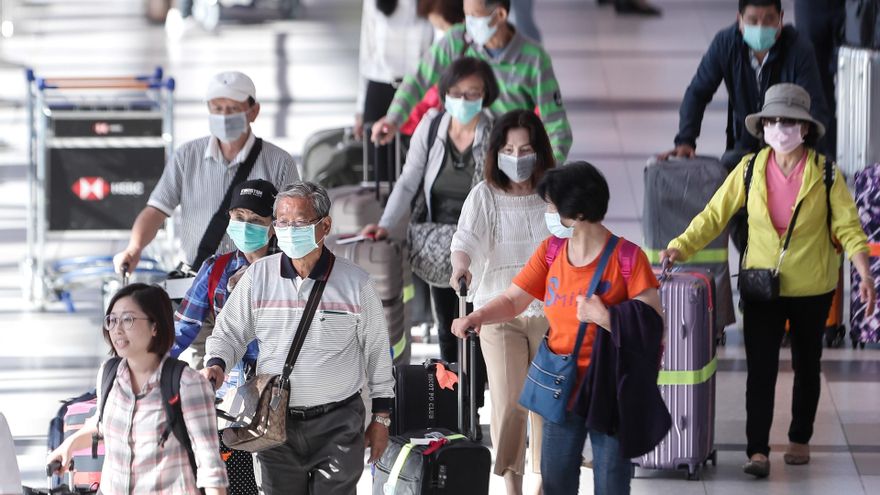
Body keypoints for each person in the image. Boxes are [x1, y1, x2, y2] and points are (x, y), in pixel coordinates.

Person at [661, 83, 876, 478]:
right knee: (760, 368)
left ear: (806, 129)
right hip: (762, 287)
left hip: (813, 287)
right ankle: (757, 448)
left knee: (807, 365)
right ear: (763, 127)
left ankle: (799, 437)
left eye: (790, 121)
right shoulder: (748, 170)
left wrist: (864, 273)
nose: (781, 128)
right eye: (774, 121)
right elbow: (714, 214)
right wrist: (680, 245)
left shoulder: (826, 174)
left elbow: (849, 228)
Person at [452, 162, 663, 495]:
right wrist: (477, 317)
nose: (547, 212)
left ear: (576, 214)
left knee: (611, 483)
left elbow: (653, 323)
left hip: (610, 388)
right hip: (561, 385)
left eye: (551, 205)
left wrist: (605, 317)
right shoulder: (552, 252)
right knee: (557, 482)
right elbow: (512, 300)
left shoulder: (627, 258)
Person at [202, 181, 395, 494]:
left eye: (300, 223)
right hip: (274, 424)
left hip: (339, 424)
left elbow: (377, 354)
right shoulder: (258, 277)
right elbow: (229, 332)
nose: (289, 230)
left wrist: (381, 420)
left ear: (325, 225)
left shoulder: (356, 283)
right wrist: (217, 363)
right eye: (282, 222)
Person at [360, 57, 498, 419]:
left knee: (477, 323)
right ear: (444, 94)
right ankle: (454, 404)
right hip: (438, 241)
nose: (464, 100)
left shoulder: (495, 132)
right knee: (447, 324)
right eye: (456, 93)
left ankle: (474, 401)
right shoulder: (432, 125)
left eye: (472, 93)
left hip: (481, 242)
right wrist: (387, 225)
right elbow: (408, 180)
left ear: (486, 95)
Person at [449, 109, 554, 494]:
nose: (517, 156)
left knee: (545, 406)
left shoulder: (552, 193)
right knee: (510, 403)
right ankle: (512, 486)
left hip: (549, 313)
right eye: (508, 148)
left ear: (539, 151)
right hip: (499, 311)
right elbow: (466, 242)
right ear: (496, 152)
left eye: (525, 148)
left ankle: (544, 484)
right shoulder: (485, 196)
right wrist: (461, 268)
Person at [48, 283, 228, 494]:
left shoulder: (187, 384)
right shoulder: (110, 374)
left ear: (155, 326)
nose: (117, 329)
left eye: (127, 319)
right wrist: (69, 445)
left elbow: (210, 467)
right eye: (112, 320)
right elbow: (102, 425)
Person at [113, 71, 297, 275]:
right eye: (217, 109)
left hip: (256, 277)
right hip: (196, 278)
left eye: (233, 109)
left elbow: (293, 223)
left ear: (253, 112)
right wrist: (134, 248)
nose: (224, 116)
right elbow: (156, 210)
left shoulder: (279, 162)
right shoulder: (186, 156)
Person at [370, 0, 572, 164]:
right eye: (466, 14)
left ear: (500, 15)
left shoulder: (533, 58)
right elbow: (417, 80)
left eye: (475, 16)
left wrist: (545, 174)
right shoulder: (457, 40)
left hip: (508, 160)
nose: (468, 23)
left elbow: (557, 127)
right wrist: (393, 119)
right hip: (461, 155)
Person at [660, 0, 829, 168]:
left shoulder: (799, 49)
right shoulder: (725, 44)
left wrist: (800, 149)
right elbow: (698, 93)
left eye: (769, 19)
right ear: (739, 20)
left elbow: (816, 107)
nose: (761, 27)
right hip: (742, 150)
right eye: (753, 20)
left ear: (781, 19)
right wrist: (685, 140)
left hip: (789, 150)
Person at [172, 179, 277, 374]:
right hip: (226, 384)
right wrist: (146, 367)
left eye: (256, 220)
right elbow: (181, 329)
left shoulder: (288, 270)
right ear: (229, 219)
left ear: (273, 226)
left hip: (280, 385)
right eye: (239, 217)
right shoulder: (215, 269)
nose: (246, 226)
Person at [355, 0, 434, 179]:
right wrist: (360, 108)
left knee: (420, 168)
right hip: (380, 88)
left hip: (419, 92)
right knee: (380, 172)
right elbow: (366, 51)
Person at [794, 0, 844, 158]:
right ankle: (825, 160)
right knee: (816, 85)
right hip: (811, 6)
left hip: (855, 5)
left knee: (862, 76)